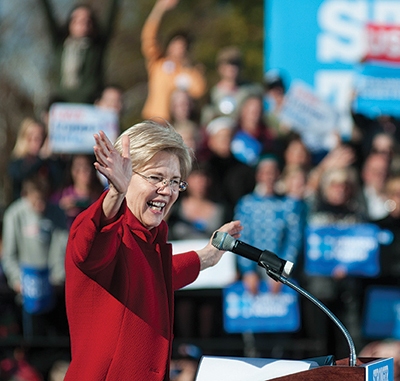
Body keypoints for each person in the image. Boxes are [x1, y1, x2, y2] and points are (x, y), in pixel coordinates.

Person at [63, 120, 242, 380]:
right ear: (124, 174)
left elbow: (154, 276)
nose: (167, 191)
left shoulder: (151, 237)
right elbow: (89, 252)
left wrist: (207, 256)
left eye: (175, 182)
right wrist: (115, 194)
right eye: (156, 177)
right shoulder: (101, 225)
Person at [1, 175, 68, 338]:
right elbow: (9, 254)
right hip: (25, 290)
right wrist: (17, 280)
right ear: (26, 195)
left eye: (44, 200)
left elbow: (61, 247)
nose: (41, 206)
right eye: (36, 201)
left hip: (53, 286)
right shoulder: (14, 215)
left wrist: (58, 278)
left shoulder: (56, 213)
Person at [38, 0, 121, 104]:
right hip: (63, 106)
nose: (83, 24)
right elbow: (47, 14)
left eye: (87, 20)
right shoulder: (60, 45)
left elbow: (111, 13)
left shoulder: (96, 47)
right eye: (77, 20)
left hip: (90, 105)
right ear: (70, 23)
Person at [141, 0, 207, 121]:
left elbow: (199, 90)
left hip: (176, 125)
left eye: (182, 47)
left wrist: (188, 68)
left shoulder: (190, 71)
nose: (178, 50)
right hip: (153, 120)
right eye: (175, 45)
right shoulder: (158, 63)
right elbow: (148, 37)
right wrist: (159, 9)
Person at [200, 46, 262, 126]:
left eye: (236, 64)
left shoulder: (249, 91)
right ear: (220, 67)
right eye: (228, 64)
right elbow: (206, 120)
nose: (232, 68)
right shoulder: (211, 93)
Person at [7, 118, 62, 203]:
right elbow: (19, 177)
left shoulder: (49, 162)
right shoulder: (17, 163)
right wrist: (40, 159)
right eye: (32, 137)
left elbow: (58, 182)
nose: (37, 141)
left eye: (40, 137)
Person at [50, 154, 104, 229]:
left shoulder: (101, 195)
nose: (82, 170)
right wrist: (61, 207)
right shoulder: (62, 194)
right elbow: (49, 210)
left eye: (86, 167)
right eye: (78, 167)